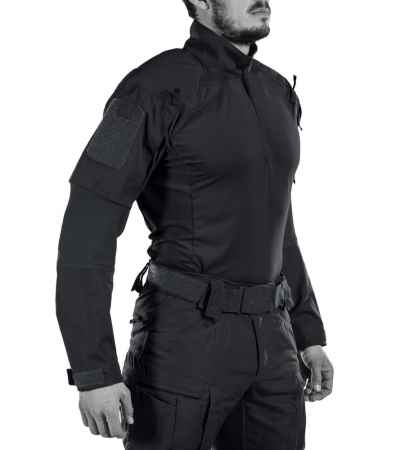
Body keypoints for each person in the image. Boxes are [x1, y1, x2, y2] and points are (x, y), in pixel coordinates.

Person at [55, 1, 334, 448]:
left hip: (273, 342)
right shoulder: (151, 89)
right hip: (181, 343)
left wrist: (308, 333)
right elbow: (88, 226)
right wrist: (94, 371)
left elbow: (277, 221)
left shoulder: (277, 92)